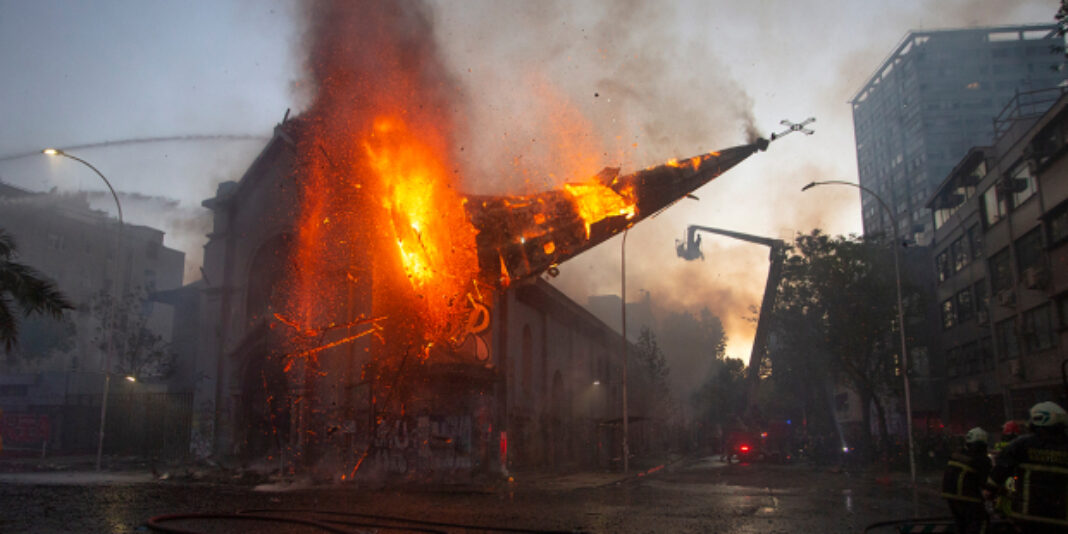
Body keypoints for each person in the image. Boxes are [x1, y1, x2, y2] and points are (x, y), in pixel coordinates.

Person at [987, 401, 1068, 533]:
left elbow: (1000, 469)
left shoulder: (1021, 445)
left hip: (1026, 515)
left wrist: (990, 489)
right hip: (1061, 517)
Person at [942, 427, 992, 534]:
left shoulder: (960, 453)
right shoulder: (982, 459)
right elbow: (986, 482)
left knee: (962, 524)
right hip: (968, 496)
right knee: (981, 522)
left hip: (950, 494)